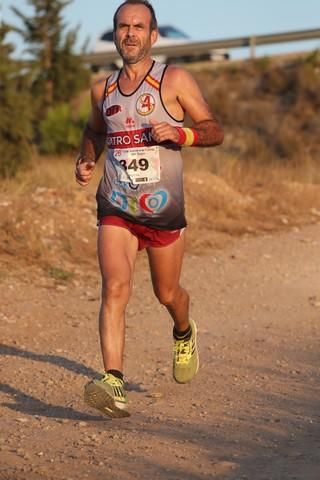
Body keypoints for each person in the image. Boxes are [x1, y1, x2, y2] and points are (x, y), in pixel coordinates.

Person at [75, 0, 224, 418]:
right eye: (123, 26)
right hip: (116, 205)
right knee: (115, 286)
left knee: (167, 293)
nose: (130, 33)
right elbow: (94, 130)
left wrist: (182, 134)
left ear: (153, 35)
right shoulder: (101, 90)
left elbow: (215, 130)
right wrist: (87, 157)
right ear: (115, 33)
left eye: (139, 26)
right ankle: (114, 382)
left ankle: (183, 331)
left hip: (163, 211)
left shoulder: (172, 80)